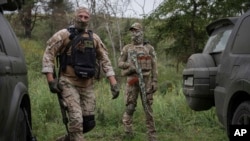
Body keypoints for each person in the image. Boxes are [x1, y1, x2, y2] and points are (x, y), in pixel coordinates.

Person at [42, 7, 119, 141]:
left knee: (88, 123)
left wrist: (113, 83)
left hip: (87, 85)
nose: (82, 19)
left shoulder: (94, 38)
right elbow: (49, 54)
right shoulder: (64, 35)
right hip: (68, 83)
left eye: (86, 17)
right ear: (75, 17)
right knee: (76, 120)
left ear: (89, 19)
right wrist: (51, 80)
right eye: (80, 16)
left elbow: (105, 60)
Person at [118, 22, 158, 141]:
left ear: (141, 32)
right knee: (130, 105)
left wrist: (155, 81)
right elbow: (119, 63)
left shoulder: (149, 48)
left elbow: (155, 65)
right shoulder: (127, 48)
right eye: (132, 31)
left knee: (148, 106)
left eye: (136, 30)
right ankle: (128, 132)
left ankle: (152, 135)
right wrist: (128, 65)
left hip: (146, 79)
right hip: (133, 79)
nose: (134, 33)